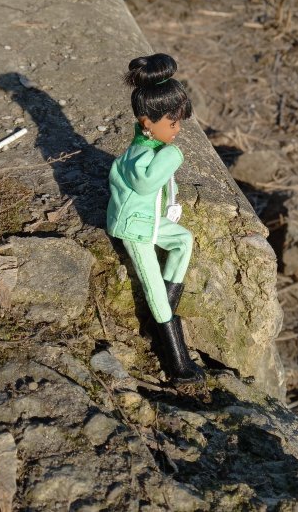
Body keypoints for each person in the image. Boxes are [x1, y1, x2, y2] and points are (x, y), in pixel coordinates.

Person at [106, 53, 204, 383]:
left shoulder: (150, 148)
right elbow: (146, 181)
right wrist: (173, 155)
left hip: (149, 219)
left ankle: (152, 322)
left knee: (183, 240)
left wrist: (170, 204)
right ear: (148, 122)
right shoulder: (139, 153)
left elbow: (159, 185)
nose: (177, 131)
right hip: (134, 228)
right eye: (172, 123)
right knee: (154, 288)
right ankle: (177, 360)